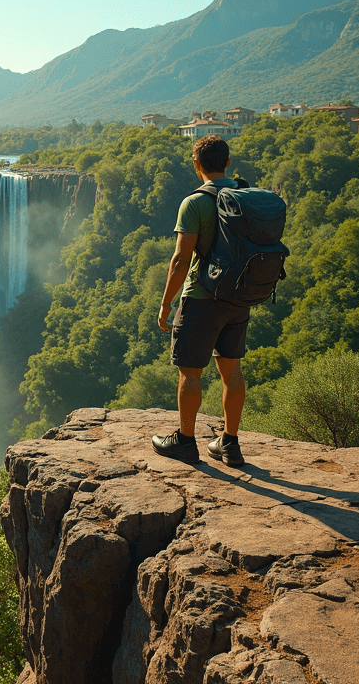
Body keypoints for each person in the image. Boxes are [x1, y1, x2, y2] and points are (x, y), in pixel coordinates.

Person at [151, 134, 246, 467]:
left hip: (202, 298)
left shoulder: (195, 203)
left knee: (190, 373)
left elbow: (180, 259)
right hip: (238, 297)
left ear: (197, 165)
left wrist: (166, 304)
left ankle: (185, 442)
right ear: (228, 163)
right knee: (231, 371)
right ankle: (229, 445)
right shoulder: (244, 196)